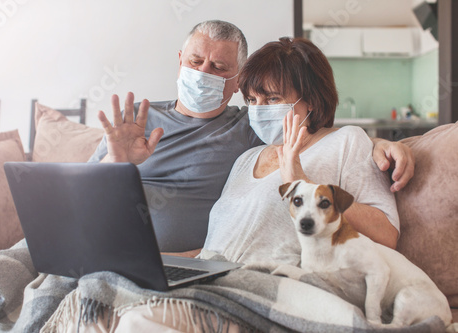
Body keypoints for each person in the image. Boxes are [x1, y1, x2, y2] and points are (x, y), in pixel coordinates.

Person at [89, 20, 414, 254]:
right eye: (195, 61)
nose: (203, 73)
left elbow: (322, 135)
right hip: (107, 246)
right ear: (179, 61)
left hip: (205, 275)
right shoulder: (133, 123)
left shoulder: (248, 129)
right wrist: (114, 162)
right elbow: (77, 198)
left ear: (235, 82)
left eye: (218, 67)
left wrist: (385, 143)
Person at [200, 37, 399, 267]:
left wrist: (304, 184)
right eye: (252, 100)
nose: (258, 110)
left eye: (273, 98)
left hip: (272, 286)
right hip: (210, 277)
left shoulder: (346, 141)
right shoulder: (246, 159)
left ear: (311, 100)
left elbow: (387, 235)